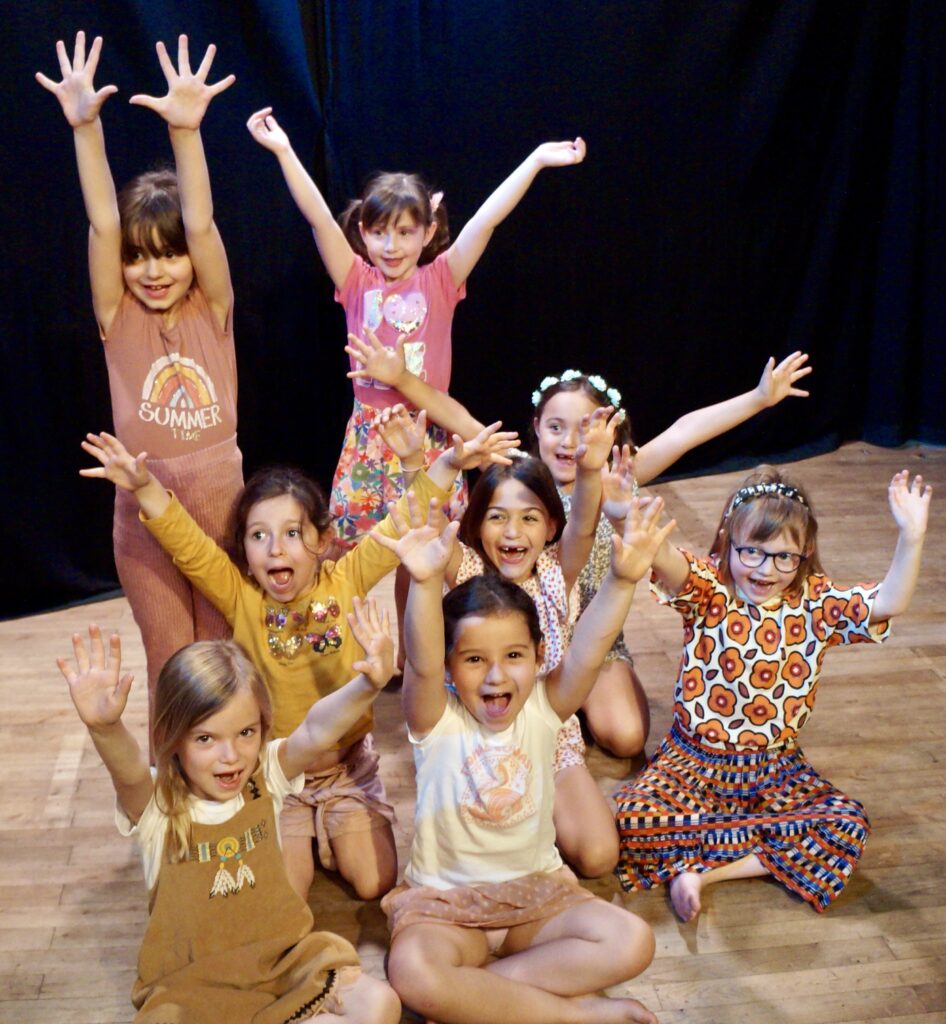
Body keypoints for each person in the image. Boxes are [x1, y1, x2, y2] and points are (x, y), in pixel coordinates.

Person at [78, 425, 514, 902]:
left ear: (323, 539)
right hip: (275, 773)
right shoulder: (239, 594)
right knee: (286, 891)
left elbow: (399, 522)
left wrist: (449, 464)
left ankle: (329, 830)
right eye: (258, 536)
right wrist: (142, 486)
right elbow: (188, 543)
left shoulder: (347, 577)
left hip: (347, 769)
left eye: (291, 533)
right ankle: (306, 832)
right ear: (244, 549)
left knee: (375, 882)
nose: (275, 549)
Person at [372, 492, 671, 1024]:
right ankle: (576, 1016)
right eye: (473, 659)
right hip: (447, 911)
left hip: (535, 898)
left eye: (513, 656)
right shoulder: (434, 719)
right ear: (450, 665)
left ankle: (476, 1000)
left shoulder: (545, 707)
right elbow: (418, 665)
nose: (494, 675)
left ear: (538, 656)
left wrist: (622, 581)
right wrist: (421, 581)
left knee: (633, 941)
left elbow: (590, 648)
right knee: (413, 970)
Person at [245, 106, 586, 546]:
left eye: (406, 233)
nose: (392, 246)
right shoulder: (355, 279)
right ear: (362, 233)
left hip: (429, 430)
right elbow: (318, 218)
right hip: (370, 436)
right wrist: (285, 150)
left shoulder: (441, 279)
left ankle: (419, 618)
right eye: (380, 232)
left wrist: (535, 161)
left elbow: (487, 220)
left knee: (426, 550)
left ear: (427, 233)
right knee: (351, 554)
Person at [613, 465, 932, 920]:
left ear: (806, 553)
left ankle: (704, 871)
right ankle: (752, 844)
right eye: (753, 553)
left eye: (785, 557)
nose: (766, 569)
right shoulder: (710, 589)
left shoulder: (817, 603)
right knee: (632, 821)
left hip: (774, 769)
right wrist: (629, 508)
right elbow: (664, 556)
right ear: (727, 542)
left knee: (845, 824)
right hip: (693, 760)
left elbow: (888, 602)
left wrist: (912, 536)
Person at [37, 33, 244, 721]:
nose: (154, 271)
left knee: (222, 650)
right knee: (171, 660)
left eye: (168, 256)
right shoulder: (115, 313)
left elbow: (203, 222)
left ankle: (230, 773)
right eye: (139, 258)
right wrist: (86, 127)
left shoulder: (213, 307)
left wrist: (187, 134)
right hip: (142, 509)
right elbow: (101, 224)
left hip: (218, 501)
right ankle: (177, 797)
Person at [56, 610, 401, 1022]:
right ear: (171, 737)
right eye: (206, 738)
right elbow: (128, 775)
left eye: (246, 733)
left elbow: (316, 731)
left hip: (280, 964)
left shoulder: (266, 775)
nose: (231, 755)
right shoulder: (160, 805)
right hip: (192, 986)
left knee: (381, 1003)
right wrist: (105, 729)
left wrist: (368, 684)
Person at [377, 404, 626, 877]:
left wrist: (591, 468)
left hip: (545, 733)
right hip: (471, 731)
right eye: (497, 517)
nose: (513, 532)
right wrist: (414, 462)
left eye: (530, 518)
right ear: (477, 524)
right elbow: (427, 528)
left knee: (599, 857)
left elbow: (586, 527)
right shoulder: (466, 567)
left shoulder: (556, 570)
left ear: (551, 527)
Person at [529, 355, 812, 758]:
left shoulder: (619, 478)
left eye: (586, 429)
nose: (570, 442)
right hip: (531, 637)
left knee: (627, 739)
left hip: (595, 639)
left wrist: (758, 398)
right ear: (537, 426)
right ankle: (559, 702)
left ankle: (576, 700)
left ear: (610, 433)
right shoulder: (521, 482)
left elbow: (684, 432)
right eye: (556, 427)